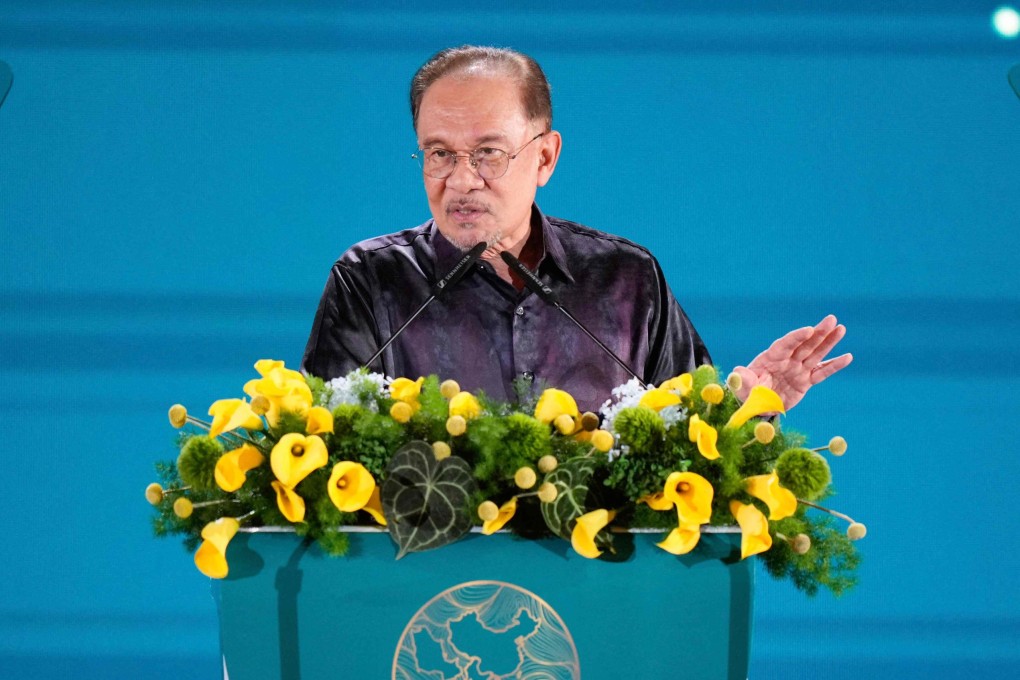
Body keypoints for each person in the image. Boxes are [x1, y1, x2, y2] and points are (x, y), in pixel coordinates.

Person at [302, 45, 851, 413]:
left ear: (544, 157)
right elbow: (321, 457)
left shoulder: (627, 280)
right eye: (439, 153)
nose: (461, 180)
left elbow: (690, 440)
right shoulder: (370, 281)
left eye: (488, 154)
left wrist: (745, 406)